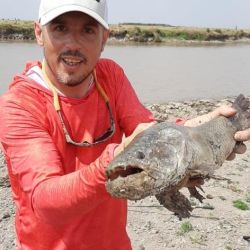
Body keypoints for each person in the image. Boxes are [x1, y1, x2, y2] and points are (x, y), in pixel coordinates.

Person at [0, 0, 249, 249]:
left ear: (104, 38)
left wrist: (205, 125)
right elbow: (46, 203)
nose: (73, 44)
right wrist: (112, 162)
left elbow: (147, 132)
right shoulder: (18, 105)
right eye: (60, 28)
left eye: (88, 30)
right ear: (38, 33)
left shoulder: (109, 76)